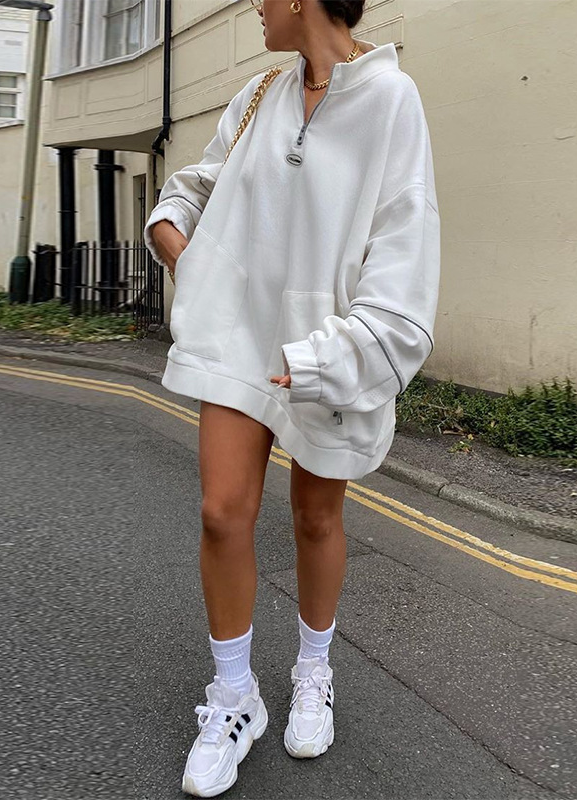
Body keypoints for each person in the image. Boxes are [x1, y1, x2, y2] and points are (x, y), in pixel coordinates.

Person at [144, 0, 440, 795]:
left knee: (315, 518)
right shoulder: (259, 96)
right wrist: (173, 230)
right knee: (221, 513)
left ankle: (314, 671)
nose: (257, 8)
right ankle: (234, 696)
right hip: (238, 337)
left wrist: (334, 355)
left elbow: (404, 246)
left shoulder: (391, 99)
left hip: (324, 348)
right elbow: (203, 183)